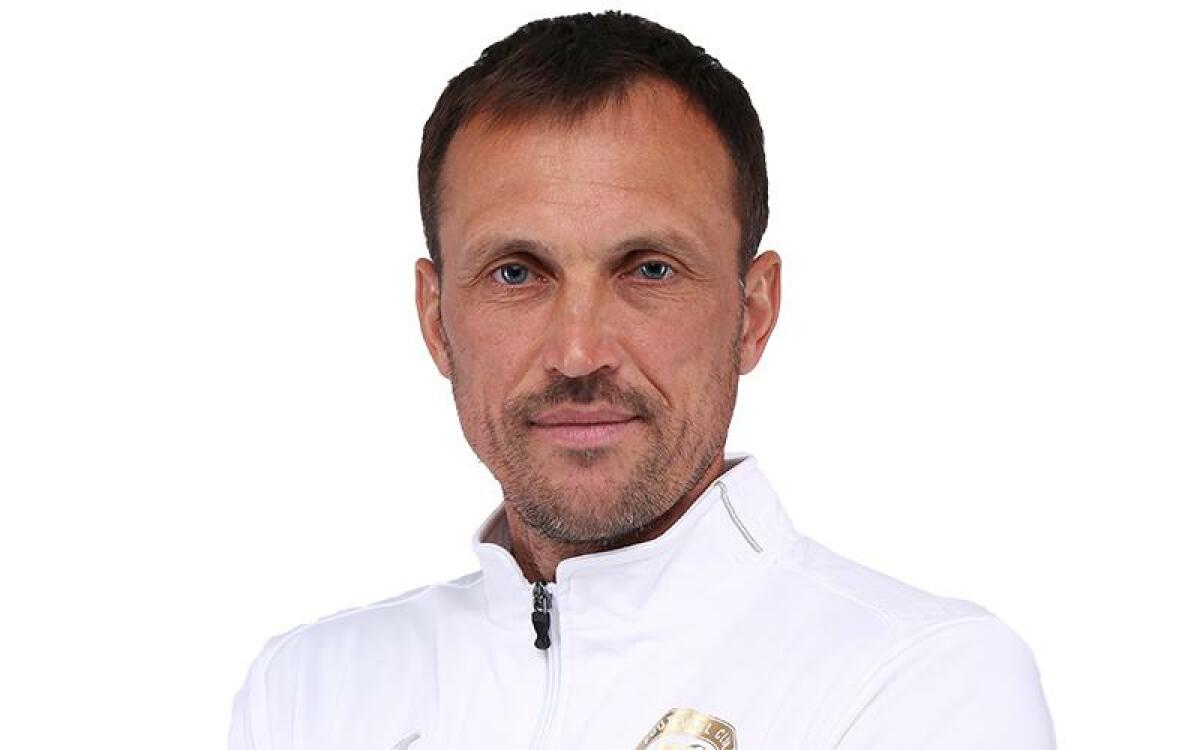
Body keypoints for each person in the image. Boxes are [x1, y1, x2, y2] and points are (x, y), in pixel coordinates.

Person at [229, 11, 1055, 749]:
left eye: (649, 268)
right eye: (517, 273)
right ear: (436, 318)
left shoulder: (919, 680)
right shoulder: (308, 692)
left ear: (754, 312)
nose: (578, 352)